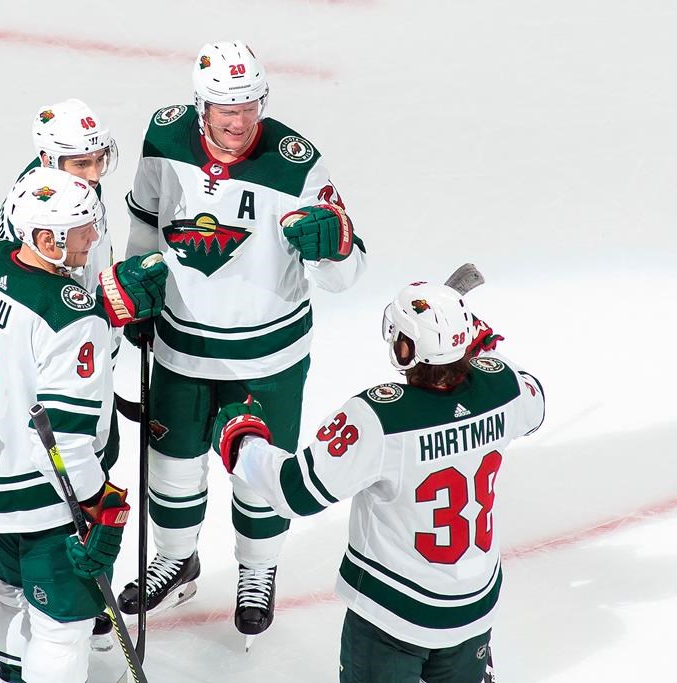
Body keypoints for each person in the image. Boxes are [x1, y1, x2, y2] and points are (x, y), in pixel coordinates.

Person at [118, 39, 368, 640]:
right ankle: (176, 559)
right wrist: (137, 286)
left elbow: (346, 271)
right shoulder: (165, 135)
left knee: (259, 474)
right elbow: (145, 221)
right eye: (228, 110)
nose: (240, 122)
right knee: (172, 465)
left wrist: (332, 245)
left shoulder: (296, 161)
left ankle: (258, 570)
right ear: (201, 106)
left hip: (268, 354)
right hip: (181, 344)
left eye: (251, 107)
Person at [211, 281, 545, 682]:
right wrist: (482, 352)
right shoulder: (505, 386)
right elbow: (534, 402)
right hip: (472, 609)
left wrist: (242, 441)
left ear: (406, 349)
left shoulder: (379, 419)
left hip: (393, 614)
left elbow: (294, 491)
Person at [0, 166, 159, 683]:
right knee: (63, 629)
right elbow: (67, 442)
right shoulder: (74, 316)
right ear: (45, 237)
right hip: (45, 497)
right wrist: (95, 503)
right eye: (81, 230)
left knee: (11, 597)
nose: (93, 238)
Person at [0, 98, 168, 648]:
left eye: (97, 160)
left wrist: (111, 313)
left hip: (91, 355)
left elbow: (86, 277)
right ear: (46, 158)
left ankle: (84, 612)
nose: (92, 175)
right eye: (79, 164)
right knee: (82, 490)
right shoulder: (31, 215)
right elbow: (34, 309)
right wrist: (107, 309)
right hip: (58, 376)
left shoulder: (73, 197)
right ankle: (73, 618)